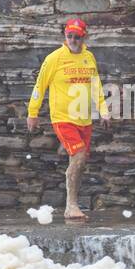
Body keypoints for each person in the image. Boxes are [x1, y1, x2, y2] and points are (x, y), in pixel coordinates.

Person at [26, 18, 110, 221]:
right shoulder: (54, 58)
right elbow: (40, 85)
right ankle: (71, 205)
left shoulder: (89, 57)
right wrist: (32, 112)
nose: (72, 39)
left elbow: (96, 86)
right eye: (69, 36)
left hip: (84, 118)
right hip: (63, 118)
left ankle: (71, 207)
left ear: (84, 37)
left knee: (80, 162)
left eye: (77, 36)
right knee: (79, 156)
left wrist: (104, 110)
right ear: (64, 36)